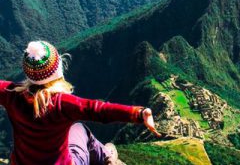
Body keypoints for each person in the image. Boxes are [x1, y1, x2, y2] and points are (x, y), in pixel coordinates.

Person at [0, 41, 160, 165]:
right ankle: (106, 157)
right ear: (58, 70)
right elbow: (98, 110)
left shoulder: (12, 95)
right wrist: (138, 114)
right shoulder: (60, 103)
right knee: (80, 129)